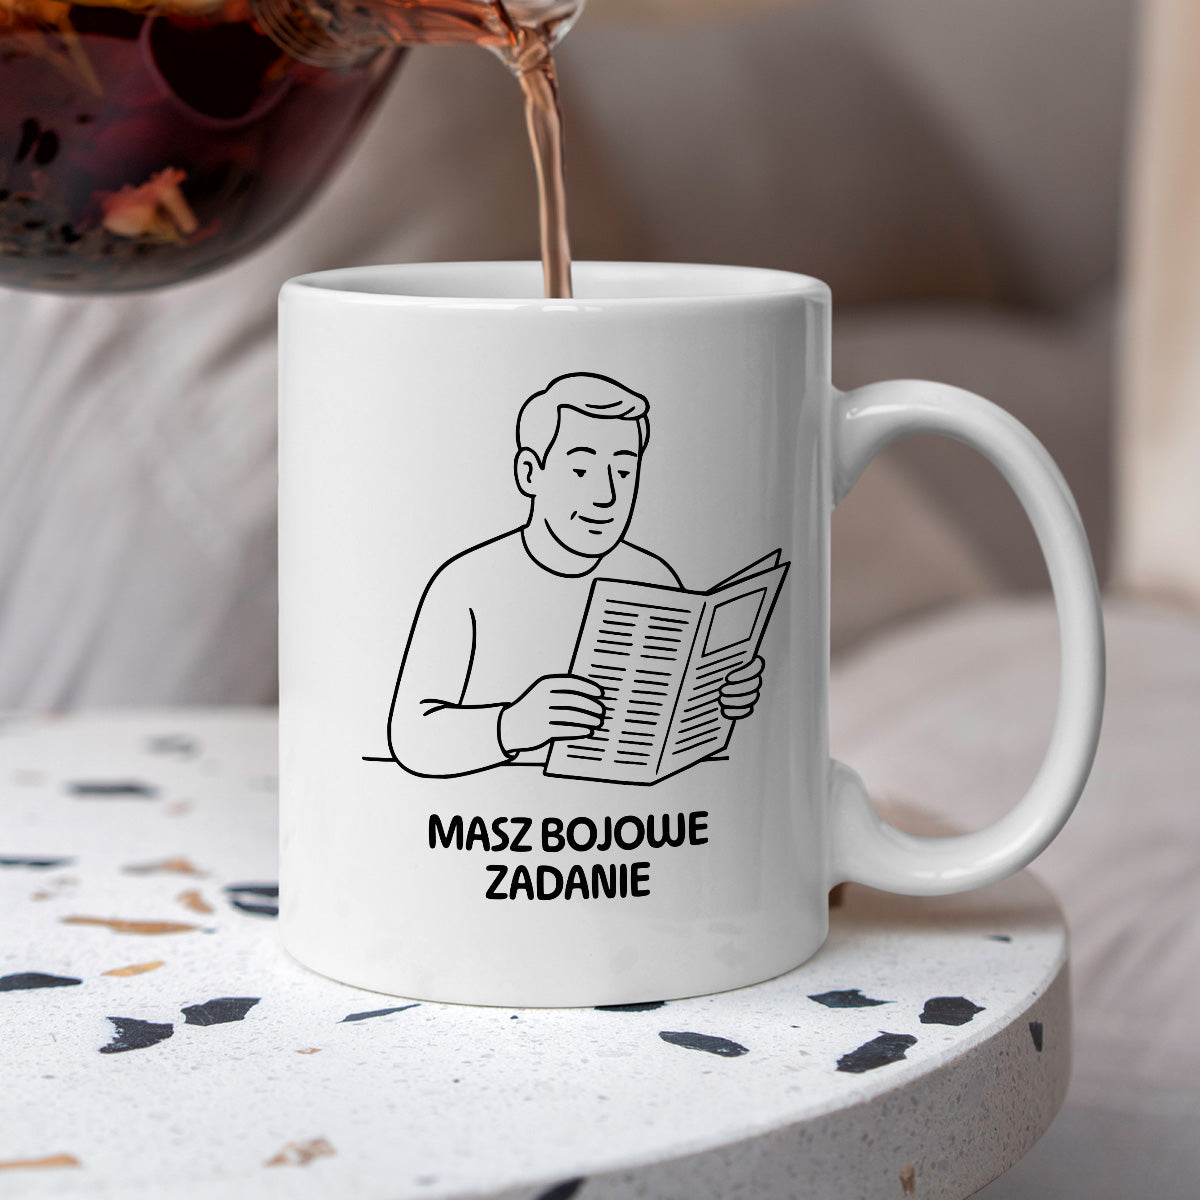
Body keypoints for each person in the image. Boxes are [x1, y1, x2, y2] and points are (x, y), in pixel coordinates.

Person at [387, 372, 764, 778]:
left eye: (624, 472)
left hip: (635, 808)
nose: (606, 496)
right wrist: (512, 725)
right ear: (530, 473)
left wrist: (719, 699)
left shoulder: (651, 577)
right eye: (581, 470)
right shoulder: (464, 584)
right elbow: (411, 737)